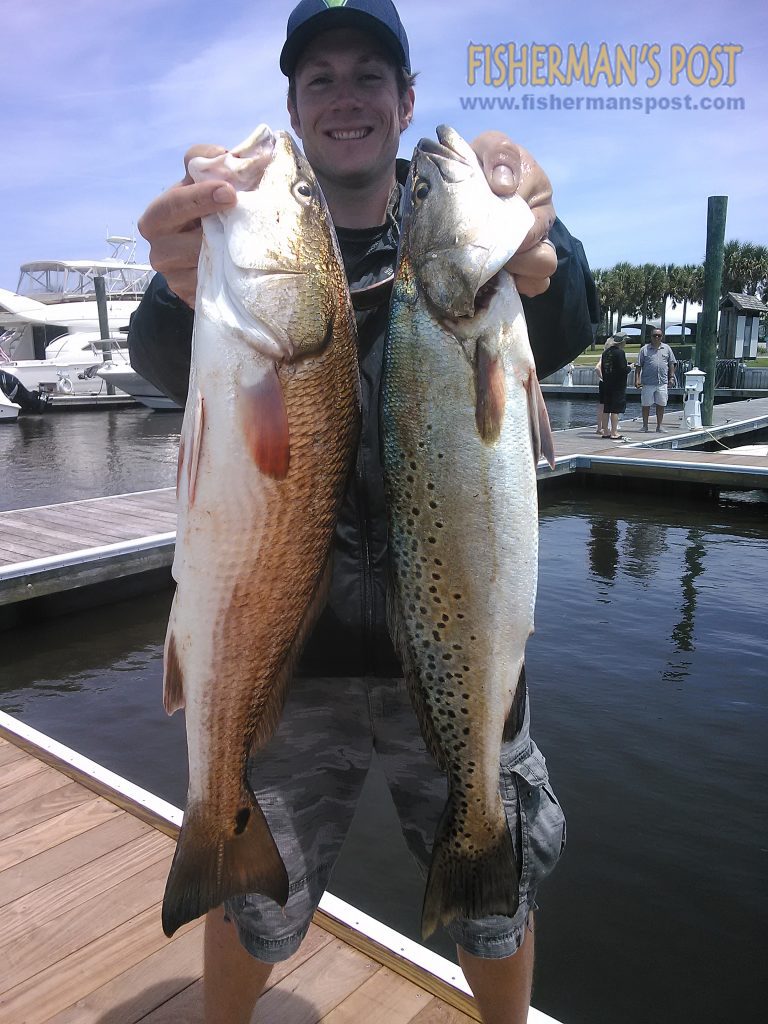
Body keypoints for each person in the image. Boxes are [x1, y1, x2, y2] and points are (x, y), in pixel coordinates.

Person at [129, 3, 599, 1022]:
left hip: (466, 653)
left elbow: (558, 325)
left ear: (406, 99)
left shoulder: (456, 257)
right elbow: (173, 363)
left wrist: (547, 261)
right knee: (251, 907)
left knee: (497, 894)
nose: (346, 96)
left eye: (369, 75)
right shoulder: (238, 259)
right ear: (295, 107)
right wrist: (178, 287)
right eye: (321, 79)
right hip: (293, 666)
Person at [635, 327, 677, 432]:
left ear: (662, 337)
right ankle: (645, 426)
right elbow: (638, 366)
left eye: (659, 335)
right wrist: (637, 379)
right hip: (648, 382)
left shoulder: (667, 348)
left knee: (661, 404)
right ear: (651, 337)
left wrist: (671, 377)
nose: (657, 337)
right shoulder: (644, 349)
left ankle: (659, 426)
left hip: (662, 382)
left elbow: (672, 363)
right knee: (646, 404)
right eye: (655, 335)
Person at [600, 333, 630, 439]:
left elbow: (603, 369)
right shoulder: (620, 353)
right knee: (615, 409)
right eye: (625, 341)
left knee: (606, 408)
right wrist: (629, 367)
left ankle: (605, 431)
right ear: (621, 342)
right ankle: (614, 432)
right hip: (618, 385)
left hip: (607, 383)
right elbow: (623, 370)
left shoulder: (605, 353)